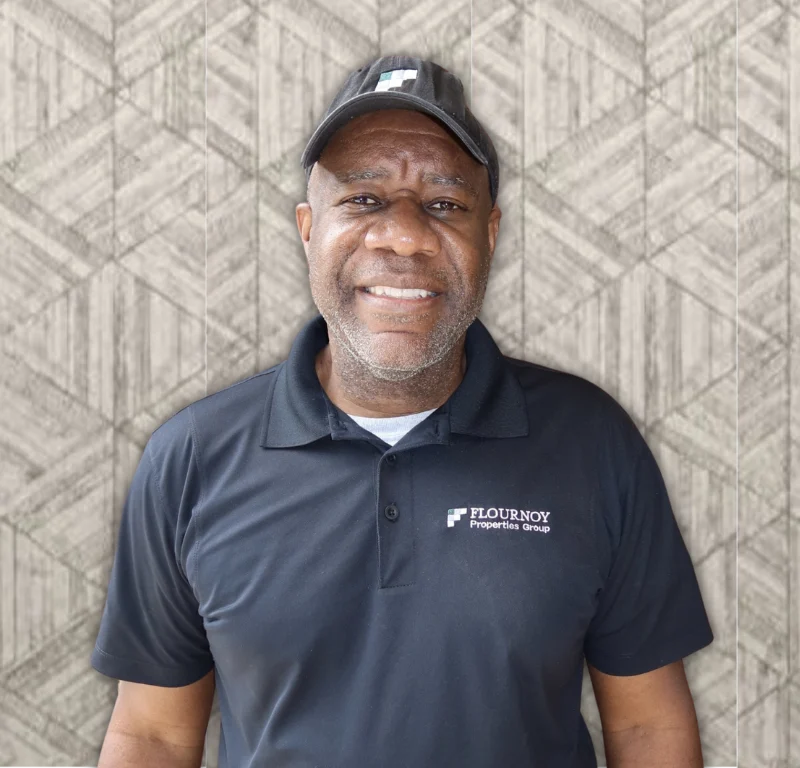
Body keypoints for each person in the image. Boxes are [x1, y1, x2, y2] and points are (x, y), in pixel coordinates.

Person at [91, 55, 714, 768]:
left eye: (445, 204)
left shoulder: (592, 442)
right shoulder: (192, 457)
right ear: (306, 227)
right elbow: (153, 735)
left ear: (491, 233)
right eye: (363, 200)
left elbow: (646, 728)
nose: (406, 236)